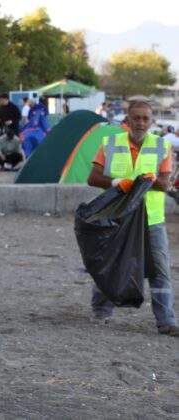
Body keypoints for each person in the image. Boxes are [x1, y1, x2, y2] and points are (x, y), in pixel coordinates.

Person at [86, 100, 178, 336]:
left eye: (145, 119)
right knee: (110, 264)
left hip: (151, 218)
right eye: (136, 118)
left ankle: (166, 321)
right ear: (127, 120)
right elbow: (93, 178)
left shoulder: (161, 147)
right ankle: (100, 312)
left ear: (151, 121)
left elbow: (165, 184)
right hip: (117, 216)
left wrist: (150, 180)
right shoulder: (110, 144)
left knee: (158, 269)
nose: (141, 123)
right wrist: (116, 183)